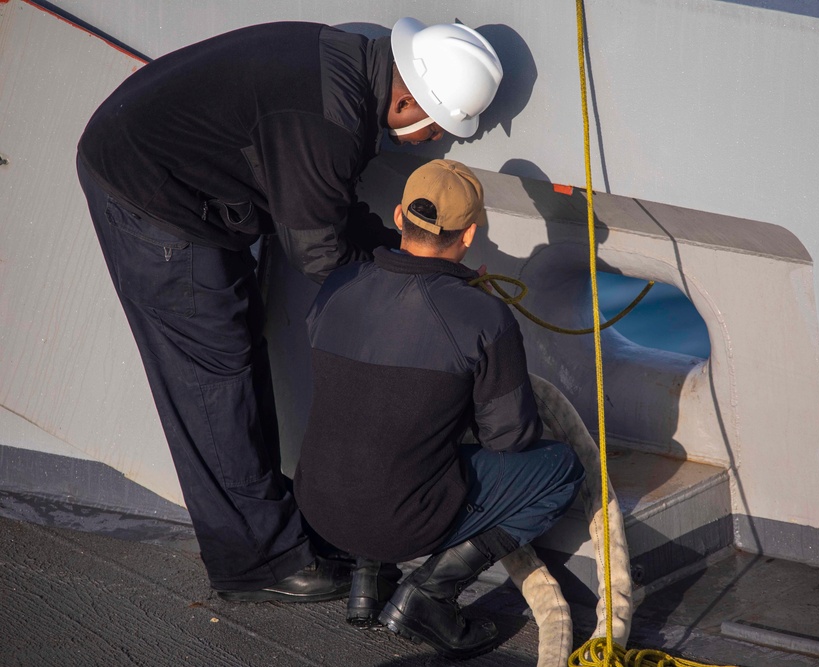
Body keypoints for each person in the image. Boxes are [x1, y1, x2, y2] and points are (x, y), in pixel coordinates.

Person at [75, 18, 503, 602]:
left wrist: (403, 263)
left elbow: (326, 207)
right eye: (438, 127)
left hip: (167, 167)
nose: (438, 142)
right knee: (214, 378)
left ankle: (272, 527)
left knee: (238, 352)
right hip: (149, 196)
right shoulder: (331, 124)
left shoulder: (343, 66)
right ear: (406, 99)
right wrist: (419, 304)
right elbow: (322, 256)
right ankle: (256, 561)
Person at [294, 159, 585, 659]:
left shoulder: (337, 286)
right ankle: (430, 594)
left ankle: (369, 582)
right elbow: (509, 439)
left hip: (319, 508)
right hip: (400, 523)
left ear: (400, 213)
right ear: (468, 236)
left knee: (374, 421)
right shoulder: (482, 314)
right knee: (559, 471)